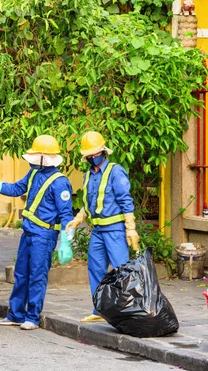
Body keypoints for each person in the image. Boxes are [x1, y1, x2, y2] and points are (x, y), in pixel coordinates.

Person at [0, 135, 73, 330]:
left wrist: (66, 242)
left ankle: (32, 317)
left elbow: (66, 215)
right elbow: (16, 188)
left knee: (37, 275)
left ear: (45, 157)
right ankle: (16, 314)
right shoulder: (34, 173)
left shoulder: (60, 183)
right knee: (21, 274)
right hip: (28, 233)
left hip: (44, 236)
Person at [65, 131, 139, 323]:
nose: (91, 158)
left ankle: (126, 310)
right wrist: (78, 219)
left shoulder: (116, 171)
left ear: (103, 152)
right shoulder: (88, 174)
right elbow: (88, 202)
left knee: (121, 270)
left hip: (114, 230)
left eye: (94, 155)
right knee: (95, 269)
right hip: (97, 231)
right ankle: (100, 310)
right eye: (88, 156)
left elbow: (125, 201)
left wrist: (130, 228)